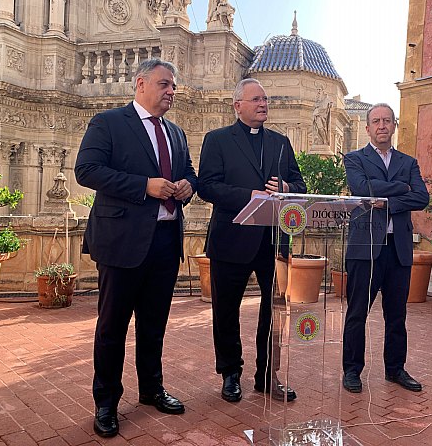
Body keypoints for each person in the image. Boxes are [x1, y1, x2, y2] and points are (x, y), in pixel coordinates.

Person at [75, 58, 197, 438]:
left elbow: (189, 172)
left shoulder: (176, 133)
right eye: (164, 84)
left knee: (154, 324)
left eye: (173, 86)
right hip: (122, 242)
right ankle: (106, 402)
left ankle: (151, 389)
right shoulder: (108, 123)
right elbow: (87, 170)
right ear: (140, 83)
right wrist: (145, 185)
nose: (171, 92)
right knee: (112, 326)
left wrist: (188, 187)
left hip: (165, 241)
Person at [198, 78, 306, 403]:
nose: (263, 104)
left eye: (265, 100)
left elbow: (299, 185)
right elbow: (207, 186)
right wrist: (251, 196)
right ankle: (230, 374)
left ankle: (267, 375)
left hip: (273, 242)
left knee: (274, 311)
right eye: (256, 99)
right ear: (238, 105)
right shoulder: (216, 140)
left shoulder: (281, 142)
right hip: (231, 238)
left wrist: (286, 188)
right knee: (226, 311)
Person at [341, 103, 429, 394]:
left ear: (394, 126)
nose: (382, 125)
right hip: (365, 247)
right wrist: (401, 189)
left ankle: (395, 369)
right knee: (357, 313)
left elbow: (422, 197)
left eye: (387, 121)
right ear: (367, 128)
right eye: (376, 121)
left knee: (397, 315)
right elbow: (361, 190)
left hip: (398, 249)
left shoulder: (408, 162)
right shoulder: (354, 159)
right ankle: (352, 371)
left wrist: (387, 200)